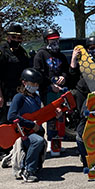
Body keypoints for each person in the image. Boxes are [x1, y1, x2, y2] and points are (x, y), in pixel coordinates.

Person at [0, 23, 31, 164]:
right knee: (2, 122)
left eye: (19, 37)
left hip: (18, 93)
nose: (17, 40)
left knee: (18, 122)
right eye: (14, 37)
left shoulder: (22, 53)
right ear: (8, 37)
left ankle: (17, 149)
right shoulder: (0, 51)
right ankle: (2, 152)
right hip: (3, 92)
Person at [33, 28, 70, 156]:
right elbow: (39, 73)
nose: (55, 42)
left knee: (60, 115)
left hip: (60, 90)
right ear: (46, 40)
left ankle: (57, 143)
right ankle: (50, 142)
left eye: (57, 39)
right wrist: (50, 84)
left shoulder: (60, 55)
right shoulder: (41, 54)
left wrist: (63, 77)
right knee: (51, 116)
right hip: (47, 90)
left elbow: (66, 70)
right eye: (52, 40)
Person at [6, 68, 47, 182]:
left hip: (33, 131)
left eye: (37, 84)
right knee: (37, 141)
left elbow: (39, 116)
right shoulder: (19, 97)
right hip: (22, 131)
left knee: (40, 140)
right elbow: (11, 116)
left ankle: (19, 159)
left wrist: (56, 114)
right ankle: (28, 171)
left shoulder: (36, 98)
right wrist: (30, 124)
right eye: (33, 83)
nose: (36, 86)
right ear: (24, 82)